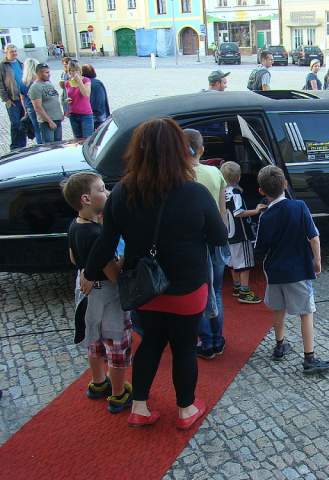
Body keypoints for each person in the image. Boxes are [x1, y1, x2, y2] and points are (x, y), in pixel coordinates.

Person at [84, 118, 228, 429]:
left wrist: (90, 273)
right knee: (184, 348)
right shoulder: (195, 193)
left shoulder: (122, 192)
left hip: (145, 287)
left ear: (138, 150)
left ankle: (139, 407)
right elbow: (219, 237)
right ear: (180, 151)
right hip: (188, 287)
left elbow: (105, 242)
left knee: (150, 342)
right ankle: (186, 409)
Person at [61, 172, 133, 413]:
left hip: (87, 295)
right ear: (86, 199)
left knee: (94, 341)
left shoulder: (75, 225)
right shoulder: (98, 235)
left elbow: (74, 258)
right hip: (108, 298)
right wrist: (127, 254)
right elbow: (114, 274)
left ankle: (98, 382)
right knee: (116, 345)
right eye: (102, 189)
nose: (108, 193)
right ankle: (118, 394)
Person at [254, 165, 329, 374]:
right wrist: (317, 261)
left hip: (274, 271)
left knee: (278, 308)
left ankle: (279, 345)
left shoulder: (265, 216)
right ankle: (309, 357)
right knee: (306, 312)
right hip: (298, 270)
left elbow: (260, 249)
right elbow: (314, 237)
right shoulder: (299, 206)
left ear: (261, 191)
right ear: (285, 184)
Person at [183, 128, 229, 360]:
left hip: (193, 244)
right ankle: (218, 339)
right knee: (217, 291)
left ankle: (206, 341)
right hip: (216, 240)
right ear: (201, 149)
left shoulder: (179, 176)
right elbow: (222, 211)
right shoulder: (214, 172)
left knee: (199, 293)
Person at [220, 161, 265, 304]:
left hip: (228, 233)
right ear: (239, 177)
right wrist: (256, 210)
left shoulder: (222, 192)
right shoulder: (235, 193)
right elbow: (238, 212)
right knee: (245, 263)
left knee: (232, 262)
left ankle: (237, 286)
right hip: (241, 234)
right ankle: (244, 292)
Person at [28, 63, 64, 143]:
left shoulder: (49, 83)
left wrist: (60, 114)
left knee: (58, 144)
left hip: (57, 119)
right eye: (46, 72)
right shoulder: (35, 87)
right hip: (47, 122)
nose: (49, 74)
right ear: (39, 73)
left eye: (49, 72)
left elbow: (54, 99)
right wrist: (49, 121)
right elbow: (38, 107)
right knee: (49, 145)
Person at [0, 44, 27, 149]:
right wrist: (6, 99)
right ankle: (15, 147)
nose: (14, 53)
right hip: (12, 99)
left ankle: (22, 146)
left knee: (23, 122)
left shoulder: (21, 64)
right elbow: (0, 84)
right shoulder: (2, 65)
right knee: (15, 124)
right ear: (6, 52)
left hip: (23, 98)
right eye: (11, 51)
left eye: (15, 51)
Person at [65, 60, 94, 139]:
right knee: (77, 140)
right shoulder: (68, 83)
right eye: (72, 70)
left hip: (85, 114)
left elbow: (86, 94)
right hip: (73, 114)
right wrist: (67, 101)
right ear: (69, 71)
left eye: (76, 70)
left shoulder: (86, 80)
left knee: (87, 139)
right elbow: (68, 95)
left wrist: (79, 81)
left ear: (80, 70)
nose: (74, 73)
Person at [81, 64, 110, 130]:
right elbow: (100, 100)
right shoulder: (96, 83)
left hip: (89, 114)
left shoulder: (82, 83)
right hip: (97, 115)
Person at [21, 58, 42, 144]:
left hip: (30, 108)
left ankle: (40, 146)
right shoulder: (39, 81)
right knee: (44, 129)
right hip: (41, 107)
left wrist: (26, 110)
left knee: (37, 129)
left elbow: (22, 98)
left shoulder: (23, 82)